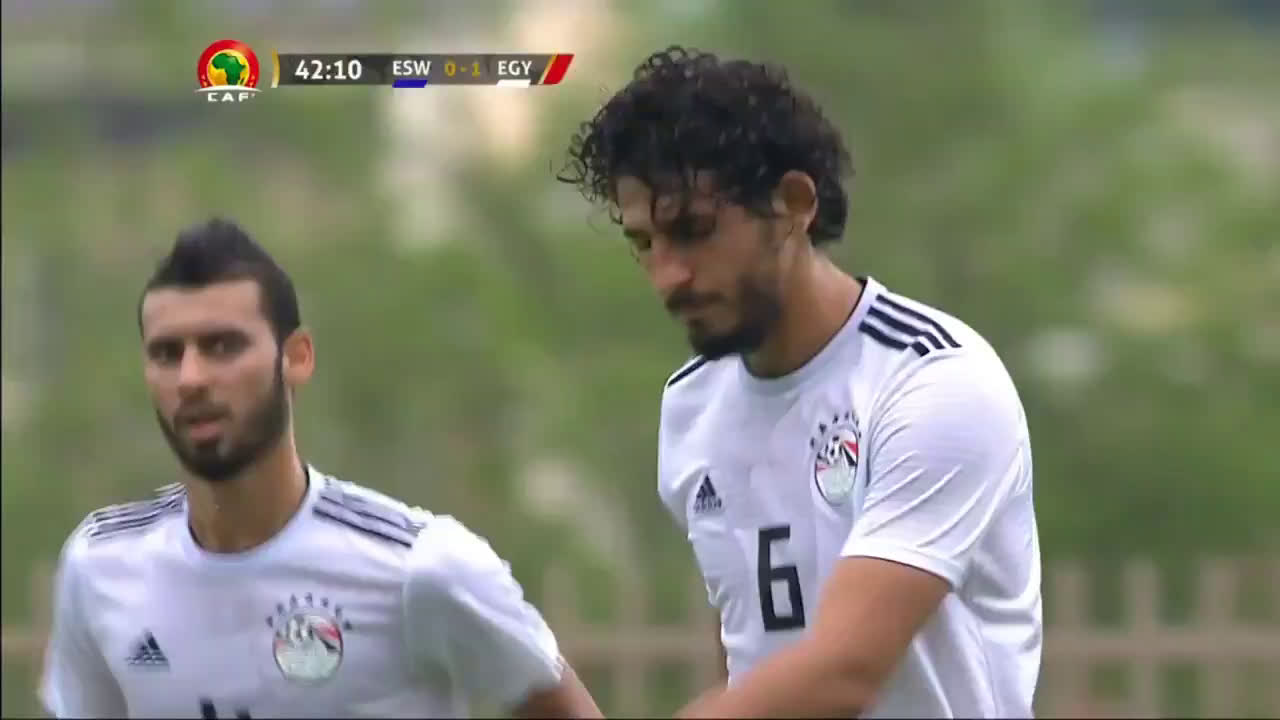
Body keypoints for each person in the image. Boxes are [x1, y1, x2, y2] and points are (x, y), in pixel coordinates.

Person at [557, 47, 1042, 718]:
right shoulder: (690, 406)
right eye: (644, 243)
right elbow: (756, 667)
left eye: (693, 231)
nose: (668, 276)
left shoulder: (935, 382)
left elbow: (843, 674)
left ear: (793, 204)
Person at [39, 219, 603, 719]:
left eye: (222, 346)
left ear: (297, 357)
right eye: (167, 354)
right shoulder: (100, 565)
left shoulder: (423, 568)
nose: (190, 378)